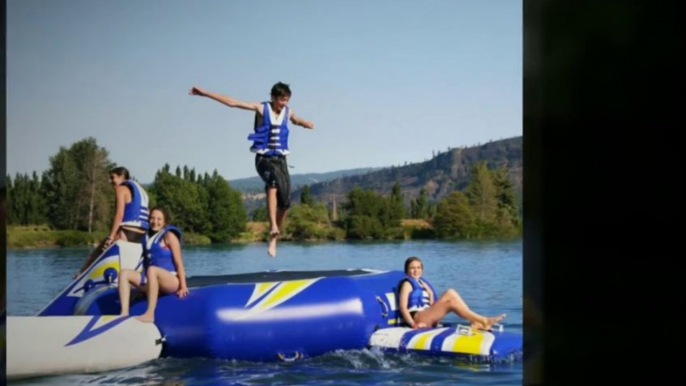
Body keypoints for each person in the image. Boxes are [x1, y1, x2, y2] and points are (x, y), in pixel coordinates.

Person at [189, 82, 314, 258]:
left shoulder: (288, 111)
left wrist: (306, 123)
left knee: (285, 203)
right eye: (280, 100)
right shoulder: (261, 108)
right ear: (273, 97)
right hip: (263, 158)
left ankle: (273, 239)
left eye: (286, 100)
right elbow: (233, 103)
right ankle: (272, 225)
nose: (283, 104)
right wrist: (205, 93)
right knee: (272, 184)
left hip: (281, 160)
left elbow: (295, 119)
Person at [75, 167, 150, 278]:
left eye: (113, 177)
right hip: (142, 236)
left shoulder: (121, 189)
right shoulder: (142, 192)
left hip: (126, 232)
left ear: (122, 177)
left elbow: (119, 215)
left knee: (95, 254)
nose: (111, 181)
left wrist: (111, 237)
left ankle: (80, 276)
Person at [118, 206, 189, 323]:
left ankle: (150, 314)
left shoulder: (169, 236)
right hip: (152, 280)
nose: (155, 222)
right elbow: (145, 263)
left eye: (159, 219)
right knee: (124, 273)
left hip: (170, 281)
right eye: (152, 218)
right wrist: (141, 289)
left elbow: (179, 263)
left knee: (152, 270)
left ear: (165, 221)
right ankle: (124, 313)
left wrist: (183, 286)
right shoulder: (146, 238)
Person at [398, 256, 506, 331]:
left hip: (427, 316)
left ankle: (477, 321)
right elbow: (403, 308)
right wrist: (413, 324)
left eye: (418, 267)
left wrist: (430, 293)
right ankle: (482, 320)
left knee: (451, 300)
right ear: (406, 270)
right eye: (412, 268)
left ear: (422, 269)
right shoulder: (407, 284)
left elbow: (430, 303)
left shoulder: (422, 283)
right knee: (450, 293)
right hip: (419, 318)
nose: (416, 270)